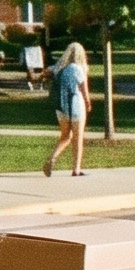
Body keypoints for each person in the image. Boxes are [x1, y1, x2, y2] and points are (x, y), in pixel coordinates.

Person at [44, 42, 90, 178]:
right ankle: (76, 169)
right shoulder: (78, 69)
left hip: (61, 107)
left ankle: (52, 158)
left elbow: (47, 71)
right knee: (77, 138)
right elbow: (83, 89)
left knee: (65, 136)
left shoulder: (60, 68)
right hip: (76, 106)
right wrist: (88, 103)